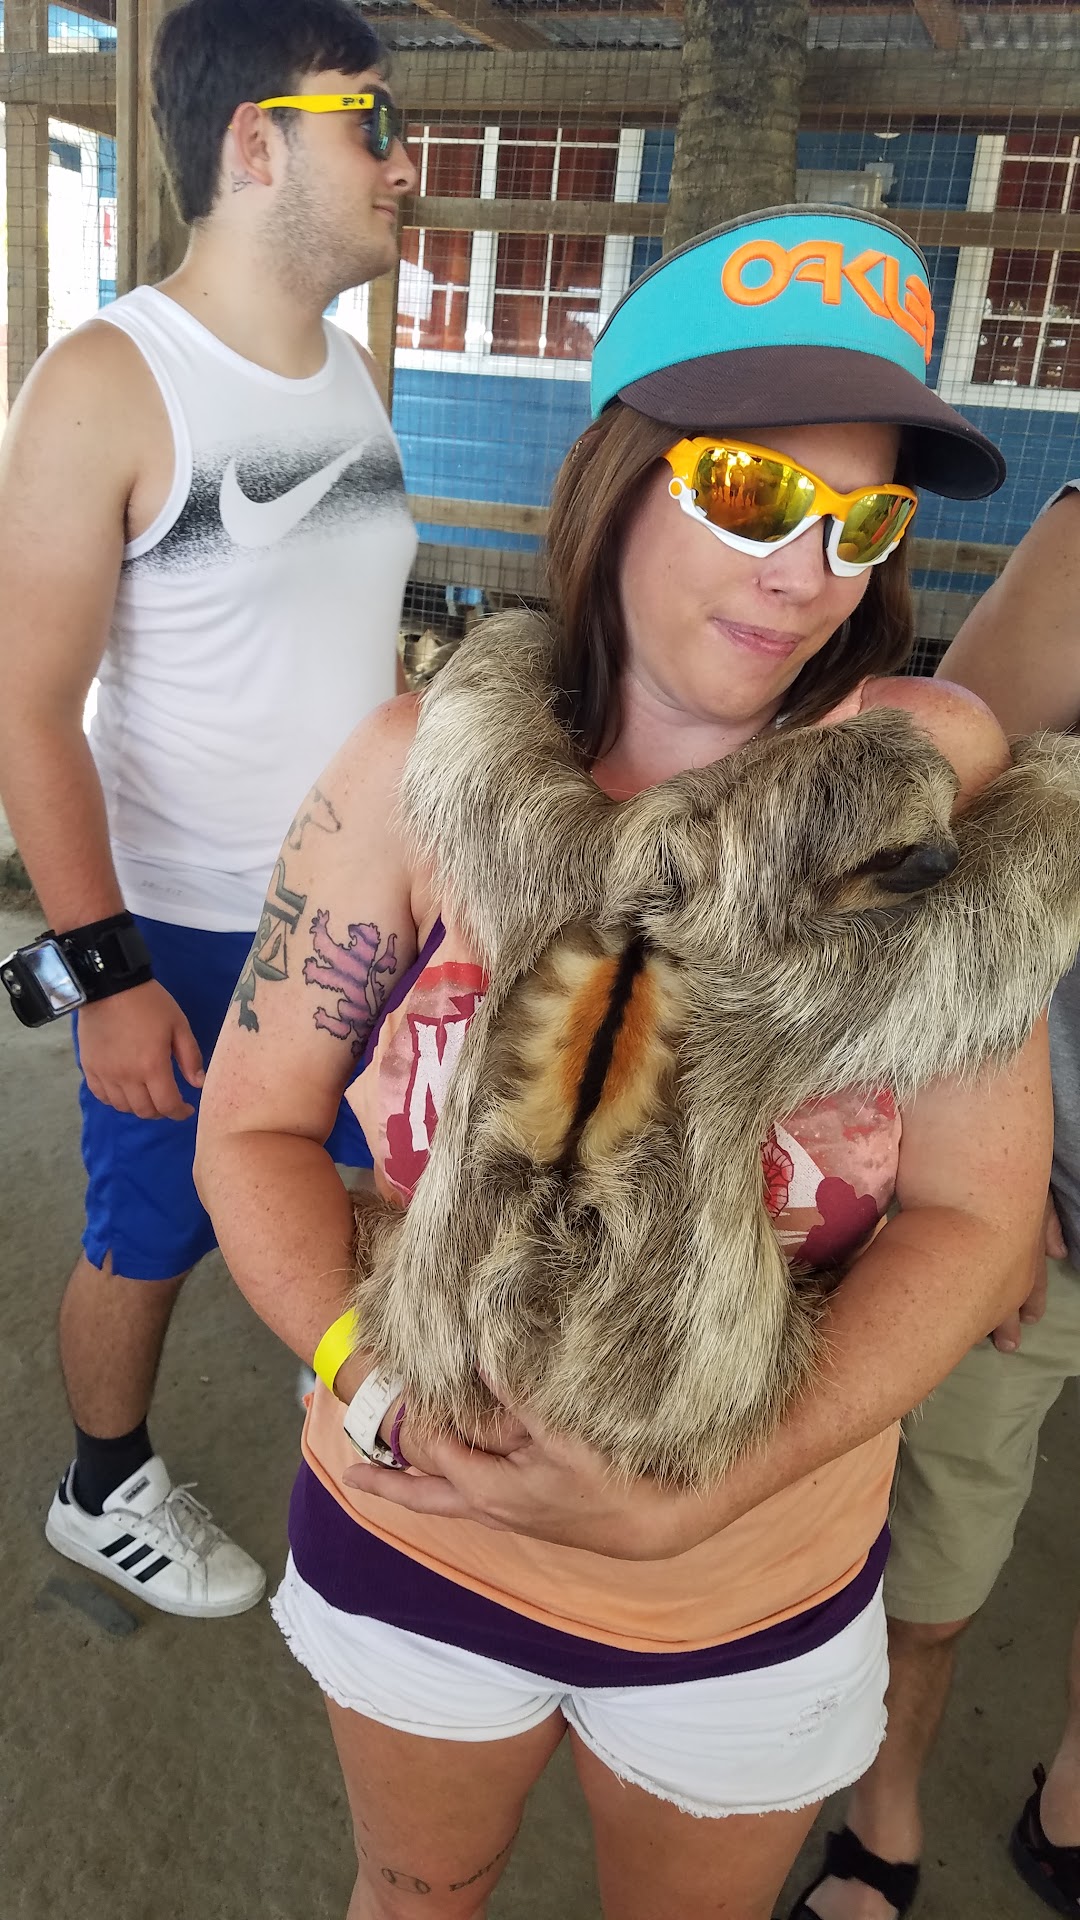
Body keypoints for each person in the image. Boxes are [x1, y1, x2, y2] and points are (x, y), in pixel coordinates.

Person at [195, 206, 1048, 1920]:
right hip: (418, 1521)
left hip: (744, 1574)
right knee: (415, 1891)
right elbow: (254, 1128)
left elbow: (977, 1223)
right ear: (619, 481)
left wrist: (709, 1492)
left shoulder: (914, 824)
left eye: (863, 522)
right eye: (750, 493)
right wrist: (370, 1375)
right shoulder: (416, 774)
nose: (810, 573)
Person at [0, 0, 417, 1620]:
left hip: (367, 908)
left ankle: (357, 1432)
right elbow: (28, 708)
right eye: (370, 120)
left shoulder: (354, 373)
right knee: (150, 1232)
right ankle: (99, 1488)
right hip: (182, 925)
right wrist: (102, 973)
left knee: (370, 1197)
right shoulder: (108, 381)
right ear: (257, 141)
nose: (403, 162)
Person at [789, 478, 1080, 1920]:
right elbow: (923, 835)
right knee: (937, 1552)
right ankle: (884, 1800)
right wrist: (988, 1185)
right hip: (1054, 1197)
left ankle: (1075, 1793)